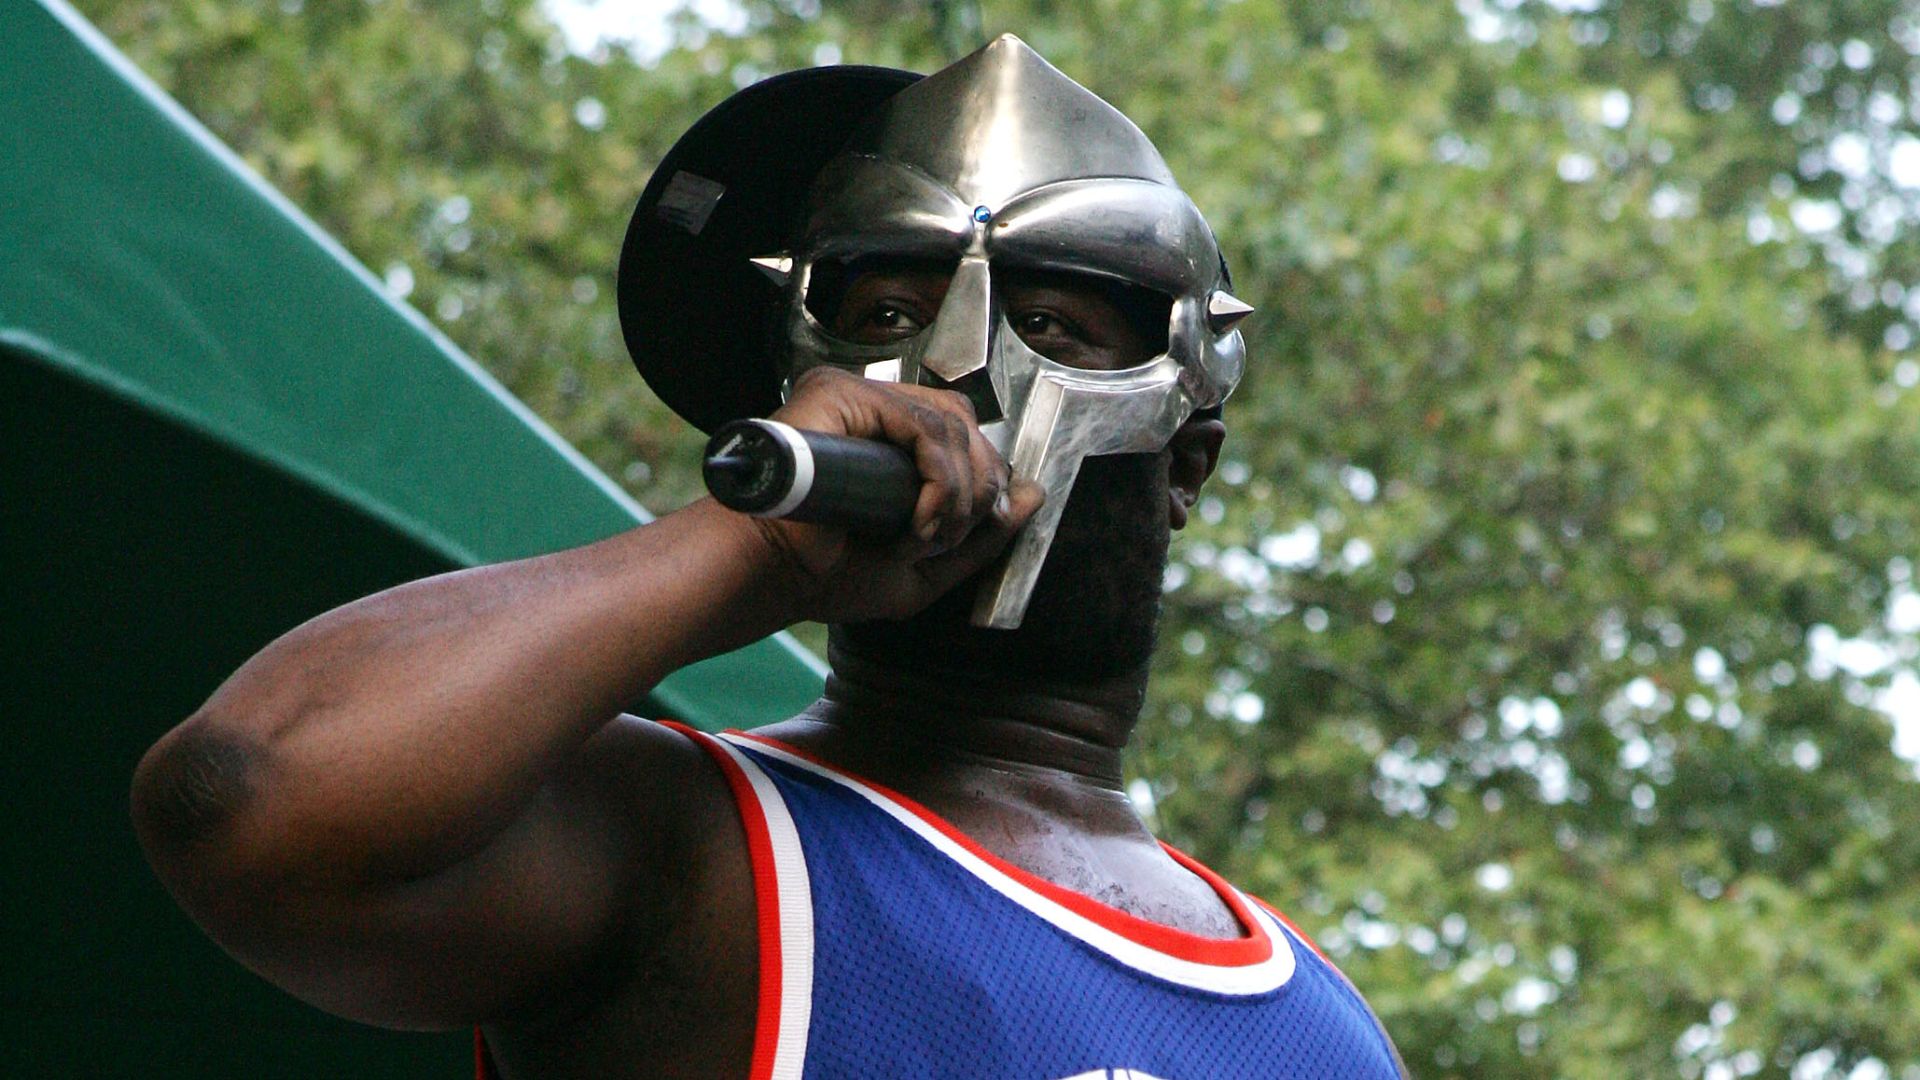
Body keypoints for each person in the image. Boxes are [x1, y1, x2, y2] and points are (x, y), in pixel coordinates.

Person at [130, 35, 1406, 1079]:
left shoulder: (1321, 1035)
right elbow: (244, 799)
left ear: (1184, 469)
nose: (953, 374)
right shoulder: (681, 849)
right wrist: (750, 549)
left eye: (1052, 324)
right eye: (887, 316)